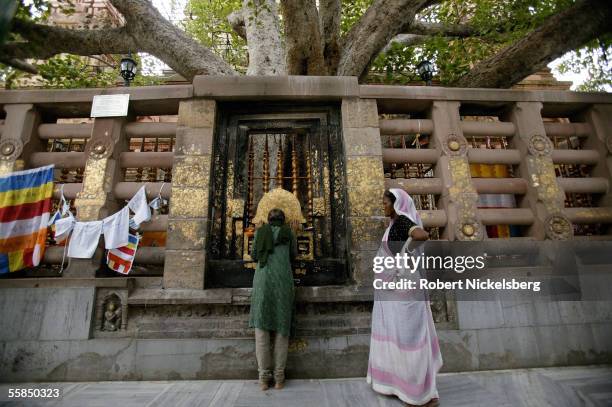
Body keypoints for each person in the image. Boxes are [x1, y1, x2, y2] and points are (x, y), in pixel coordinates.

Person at [366, 188, 443, 407]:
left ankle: (420, 394)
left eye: (386, 202)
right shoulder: (393, 225)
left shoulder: (402, 221)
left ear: (397, 203)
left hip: (405, 293)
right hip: (392, 294)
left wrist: (405, 254)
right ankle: (400, 386)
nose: (383, 206)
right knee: (396, 337)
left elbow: (421, 234)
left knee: (409, 339)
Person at [249, 208, 297, 391]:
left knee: (261, 331)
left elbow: (254, 255)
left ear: (268, 220)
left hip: (263, 283)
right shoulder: (288, 233)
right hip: (283, 282)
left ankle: (263, 379)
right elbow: (293, 255)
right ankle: (279, 378)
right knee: (282, 331)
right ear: (283, 220)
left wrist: (260, 231)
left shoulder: (261, 232)